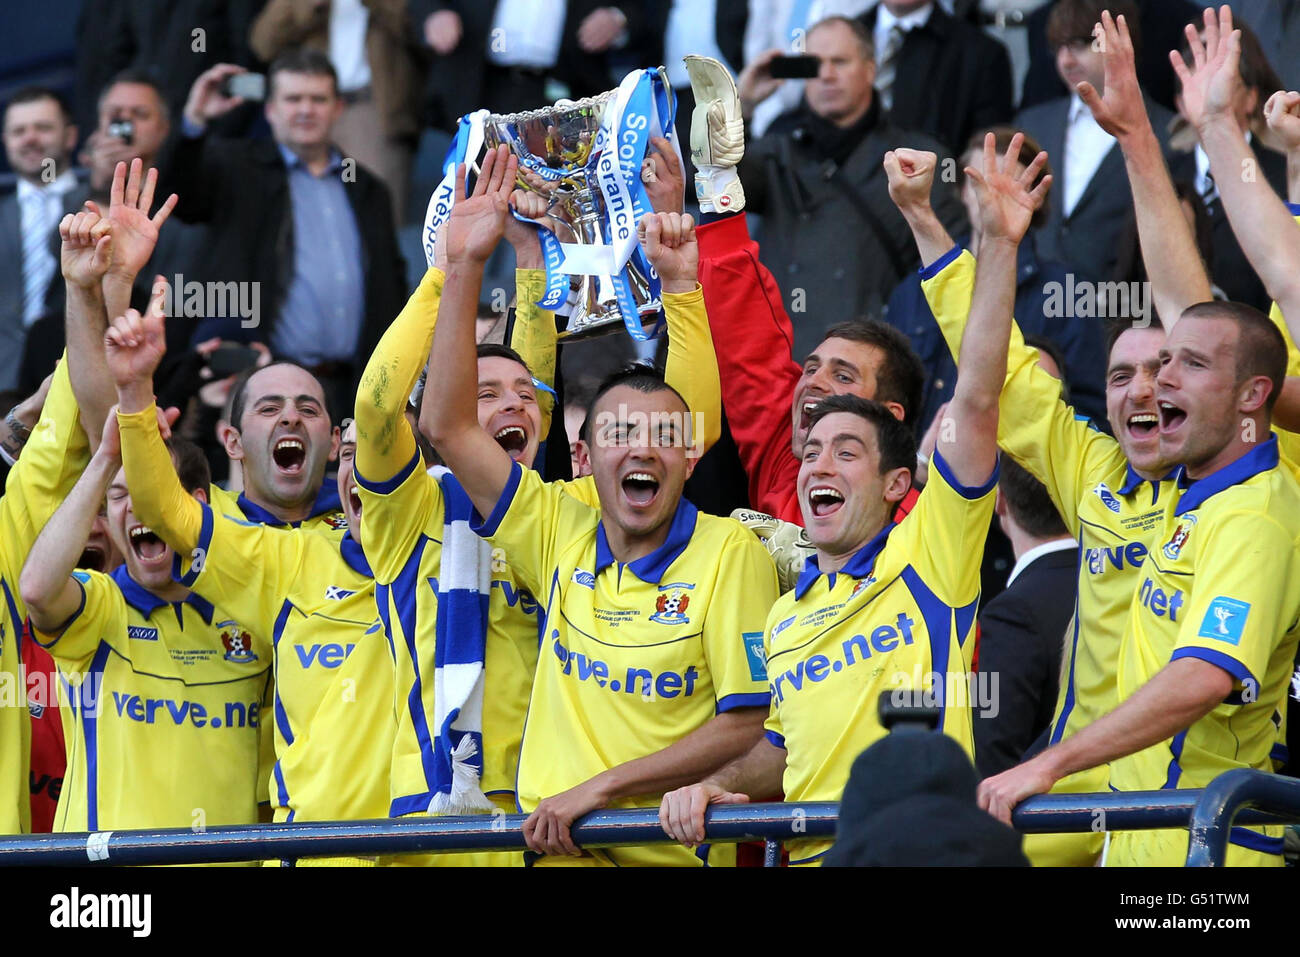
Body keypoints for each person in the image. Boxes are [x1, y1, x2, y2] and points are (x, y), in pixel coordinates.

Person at [659, 130, 1043, 865]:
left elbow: (982, 394)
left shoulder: (931, 545)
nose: (815, 457)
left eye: (846, 441)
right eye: (813, 447)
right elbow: (782, 742)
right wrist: (717, 782)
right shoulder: (786, 612)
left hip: (917, 851)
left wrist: (991, 243)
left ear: (898, 469)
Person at [887, 8, 1211, 865]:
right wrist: (947, 227)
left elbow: (1193, 312)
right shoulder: (1095, 471)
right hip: (1075, 801)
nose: (1142, 389)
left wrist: (1142, 132)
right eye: (1120, 376)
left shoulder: (1253, 487)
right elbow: (995, 373)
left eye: (1166, 373)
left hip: (1197, 824)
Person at [419, 145, 778, 866]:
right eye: (619, 433)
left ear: (688, 454)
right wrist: (462, 268)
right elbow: (447, 426)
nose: (640, 449)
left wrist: (602, 790)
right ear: (586, 454)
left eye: (660, 437)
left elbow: (749, 726)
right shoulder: (558, 524)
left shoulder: (730, 552)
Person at [108, 301, 393, 861]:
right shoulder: (212, 528)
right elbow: (155, 501)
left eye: (307, 409)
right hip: (232, 817)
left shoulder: (367, 530)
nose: (290, 418)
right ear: (232, 442)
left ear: (334, 443)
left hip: (343, 813)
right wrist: (135, 386)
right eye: (270, 408)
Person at [686, 55, 928, 547]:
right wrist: (716, 182)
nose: (811, 381)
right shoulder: (785, 453)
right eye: (812, 367)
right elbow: (747, 338)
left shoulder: (924, 529)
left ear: (890, 414)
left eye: (842, 375)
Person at [19, 387, 270, 835]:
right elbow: (36, 591)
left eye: (151, 489)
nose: (135, 504)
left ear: (196, 503)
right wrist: (105, 459)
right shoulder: (100, 605)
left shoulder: (251, 612)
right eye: (118, 496)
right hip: (114, 898)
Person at [157, 50, 406, 420]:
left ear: (338, 108)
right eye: (293, 99)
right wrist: (194, 122)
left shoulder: (368, 189)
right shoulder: (236, 167)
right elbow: (180, 197)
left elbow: (391, 286)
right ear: (270, 109)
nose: (306, 110)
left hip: (359, 391)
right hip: (264, 385)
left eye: (318, 99)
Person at [736, 15, 967, 358]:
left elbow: (951, 269)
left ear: (871, 70)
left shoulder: (917, 159)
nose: (827, 74)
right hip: (788, 366)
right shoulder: (775, 151)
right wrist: (742, 104)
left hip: (879, 364)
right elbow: (711, 187)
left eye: (840, 62)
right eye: (814, 65)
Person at [885, 126, 1108, 429]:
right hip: (915, 473)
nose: (989, 197)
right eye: (978, 181)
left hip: (1019, 473)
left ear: (1036, 197)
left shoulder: (1068, 293)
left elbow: (1091, 412)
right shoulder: (913, 290)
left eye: (1006, 185)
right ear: (962, 191)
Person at [1015, 0, 1176, 285]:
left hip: (1121, 310)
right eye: (1059, 47)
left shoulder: (1169, 133)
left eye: (1080, 44)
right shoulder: (1032, 124)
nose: (1066, 60)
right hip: (1036, 305)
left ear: (1120, 43)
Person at [250, 0, 426, 221]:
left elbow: (423, 32)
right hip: (309, 105)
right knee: (298, 210)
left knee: (375, 216)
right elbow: (263, 43)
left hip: (371, 111)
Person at [973, 457, 1077, 778]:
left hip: (1052, 820)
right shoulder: (1124, 581)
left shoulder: (1011, 614)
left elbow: (992, 756)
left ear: (999, 500)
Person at [411, 0, 646, 128]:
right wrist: (435, 14)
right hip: (485, 88)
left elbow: (647, 13)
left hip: (567, 91)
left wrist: (617, 18)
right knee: (479, 189)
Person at [0, 87, 88, 394]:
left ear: (71, 136)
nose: (30, 138)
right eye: (18, 131)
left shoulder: (98, 206)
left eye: (43, 127)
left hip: (78, 382)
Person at [855, 0, 1014, 155]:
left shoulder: (982, 53)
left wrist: (946, 176)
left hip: (939, 176)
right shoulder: (841, 35)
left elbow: (988, 151)